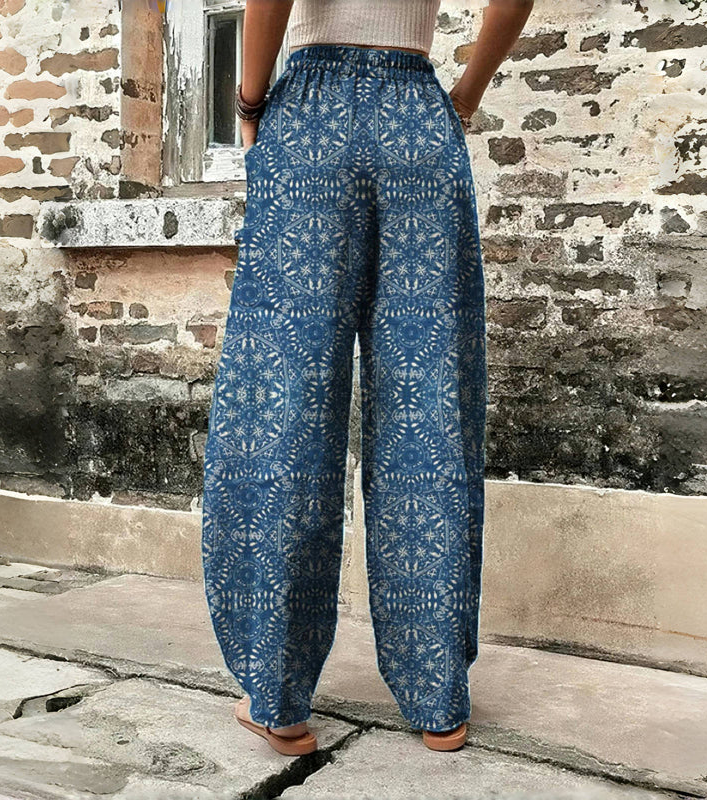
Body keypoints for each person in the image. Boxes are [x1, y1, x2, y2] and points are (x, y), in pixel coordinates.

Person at [202, 0, 534, 756]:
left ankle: (279, 700)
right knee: (429, 402)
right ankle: (438, 701)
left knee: (286, 402)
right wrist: (462, 99)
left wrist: (249, 102)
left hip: (310, 123)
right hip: (419, 117)